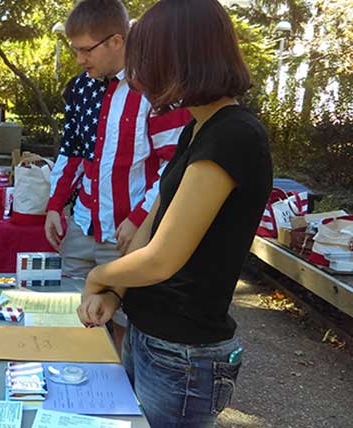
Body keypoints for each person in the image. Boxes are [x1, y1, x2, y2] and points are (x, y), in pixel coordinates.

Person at [76, 0, 272, 426]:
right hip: (150, 336)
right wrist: (116, 292)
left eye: (145, 59)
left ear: (179, 59)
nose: (138, 74)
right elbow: (152, 225)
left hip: (183, 354)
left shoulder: (234, 134)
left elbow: (164, 257)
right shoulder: (197, 127)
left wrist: (98, 278)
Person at [44, 0, 190, 351]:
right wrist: (54, 204)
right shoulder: (81, 88)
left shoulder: (157, 88)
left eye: (85, 50)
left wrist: (140, 218)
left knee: (124, 322)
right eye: (75, 50)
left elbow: (176, 165)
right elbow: (73, 150)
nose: (80, 59)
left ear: (117, 41)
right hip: (82, 225)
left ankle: (118, 396)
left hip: (127, 234)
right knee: (69, 310)